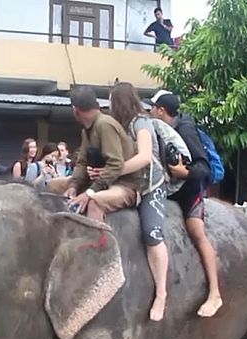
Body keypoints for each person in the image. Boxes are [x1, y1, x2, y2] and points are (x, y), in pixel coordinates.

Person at [149, 90, 223, 317]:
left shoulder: (186, 130)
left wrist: (184, 171)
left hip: (189, 190)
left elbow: (203, 168)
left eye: (153, 107)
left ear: (161, 110)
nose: (150, 111)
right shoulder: (155, 130)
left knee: (197, 232)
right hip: (167, 188)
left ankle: (215, 293)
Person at [102, 82, 171, 321]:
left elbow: (143, 157)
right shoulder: (115, 127)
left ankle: (161, 293)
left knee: (152, 234)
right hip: (126, 184)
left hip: (150, 185)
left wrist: (113, 171)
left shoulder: (141, 123)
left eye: (111, 101)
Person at [61, 86, 142, 223]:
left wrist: (90, 192)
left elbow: (116, 164)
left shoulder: (104, 124)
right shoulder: (86, 130)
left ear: (75, 110)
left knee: (94, 202)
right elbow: (82, 162)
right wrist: (73, 186)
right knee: (54, 186)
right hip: (101, 182)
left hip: (125, 185)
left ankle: (97, 244)